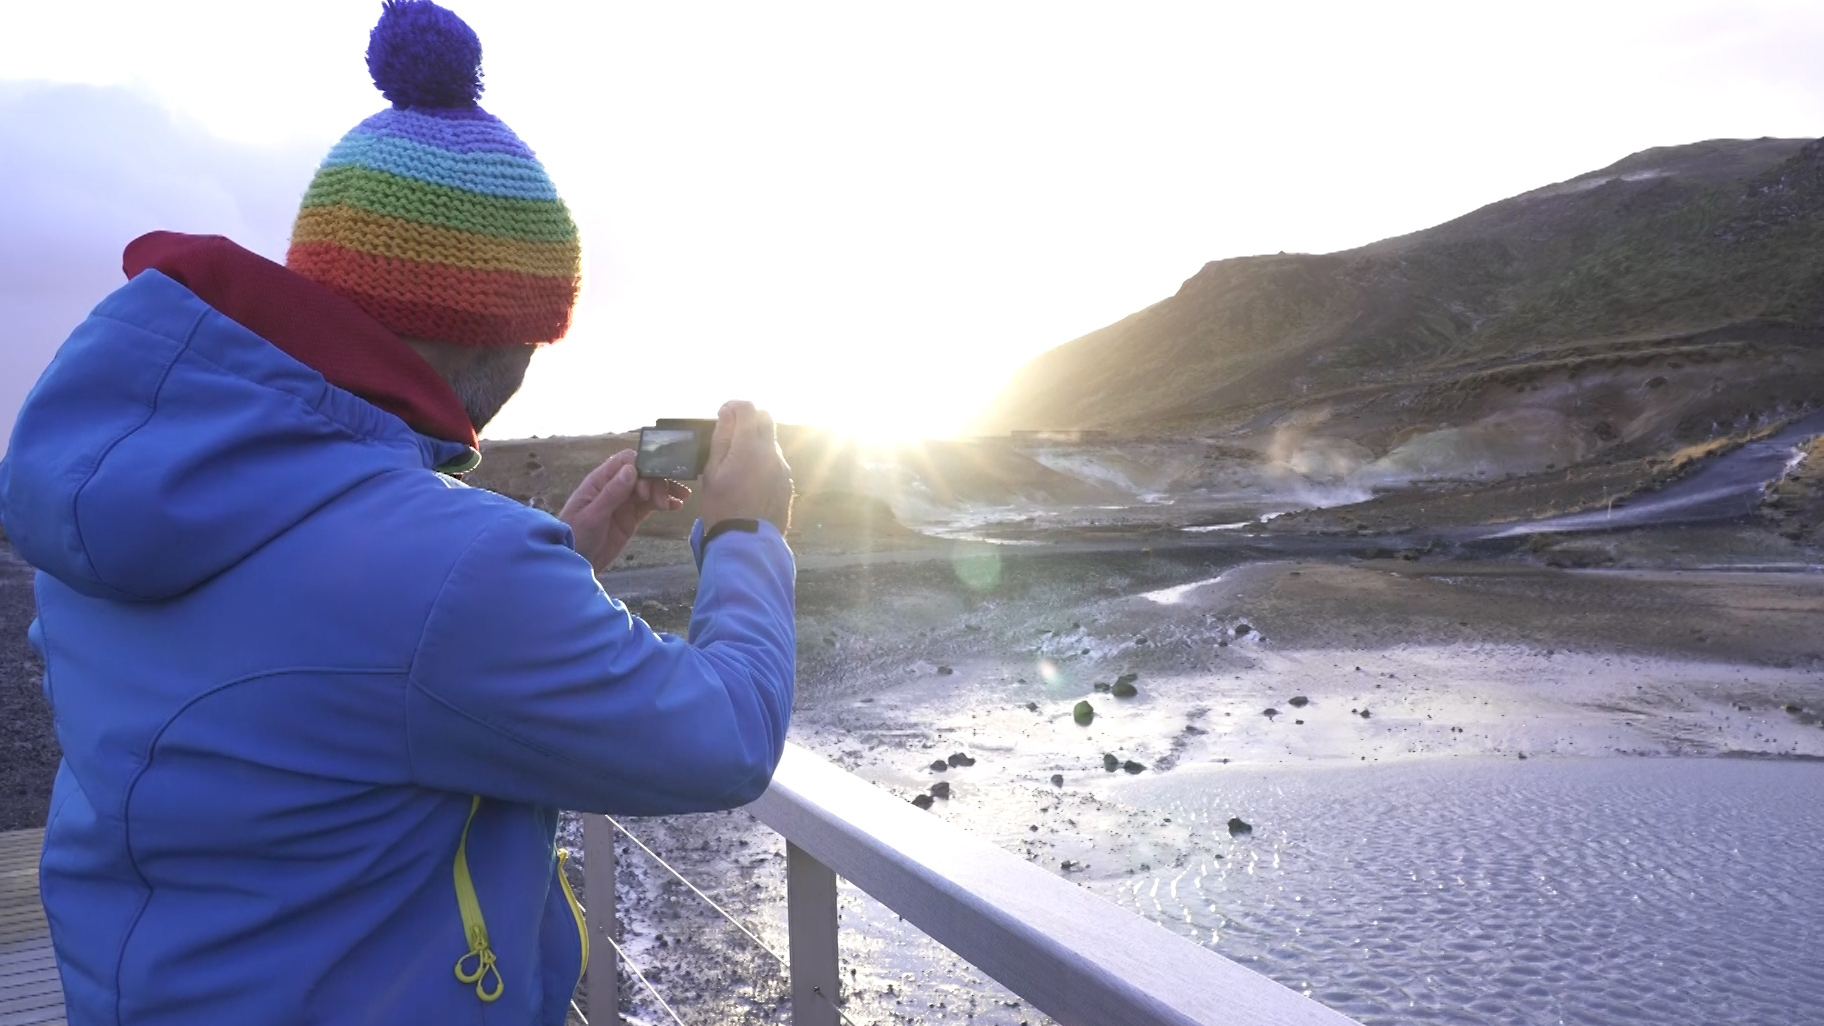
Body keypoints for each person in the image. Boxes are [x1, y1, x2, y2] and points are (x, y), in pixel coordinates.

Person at [0, 3, 796, 1024]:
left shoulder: (125, 493)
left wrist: (562, 567)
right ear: (499, 333)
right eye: (540, 334)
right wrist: (747, 531)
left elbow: (324, 684)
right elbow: (726, 735)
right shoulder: (456, 577)